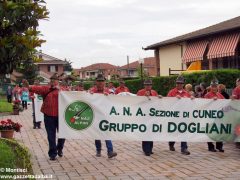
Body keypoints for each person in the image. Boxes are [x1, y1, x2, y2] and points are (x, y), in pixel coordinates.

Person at [23, 73, 65, 161]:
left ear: (58, 81)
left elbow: (72, 95)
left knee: (62, 134)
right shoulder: (46, 88)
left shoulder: (63, 89)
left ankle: (60, 148)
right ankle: (52, 154)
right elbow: (37, 88)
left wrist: (60, 90)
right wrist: (29, 86)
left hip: (61, 116)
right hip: (48, 115)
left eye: (55, 80)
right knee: (51, 135)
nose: (53, 81)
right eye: (52, 80)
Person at [90, 74, 117, 158]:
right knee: (97, 134)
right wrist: (89, 95)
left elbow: (116, 101)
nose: (100, 83)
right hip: (95, 116)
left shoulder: (109, 91)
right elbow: (87, 100)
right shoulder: (92, 91)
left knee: (106, 133)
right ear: (96, 82)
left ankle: (110, 151)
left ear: (104, 82)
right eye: (99, 81)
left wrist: (109, 97)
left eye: (102, 81)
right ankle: (98, 150)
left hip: (105, 116)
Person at [167, 75, 192, 155]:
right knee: (174, 132)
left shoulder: (186, 93)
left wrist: (192, 99)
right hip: (174, 116)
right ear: (176, 84)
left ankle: (184, 148)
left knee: (183, 131)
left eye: (181, 83)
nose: (179, 85)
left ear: (183, 84)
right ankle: (171, 143)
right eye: (178, 83)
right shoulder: (172, 92)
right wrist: (174, 98)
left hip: (183, 116)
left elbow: (190, 104)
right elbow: (167, 102)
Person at [137, 79, 158, 156]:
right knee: (145, 132)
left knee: (151, 132)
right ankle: (146, 149)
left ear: (151, 85)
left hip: (152, 115)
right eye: (147, 85)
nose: (148, 86)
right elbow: (137, 102)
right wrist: (144, 97)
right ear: (144, 85)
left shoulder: (154, 92)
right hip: (144, 115)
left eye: (149, 85)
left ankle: (150, 148)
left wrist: (160, 98)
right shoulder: (140, 92)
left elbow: (157, 102)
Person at [204, 79, 225, 152]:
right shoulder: (207, 95)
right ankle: (210, 147)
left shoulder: (220, 95)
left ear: (217, 87)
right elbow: (204, 105)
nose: (214, 88)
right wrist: (212, 100)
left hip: (218, 116)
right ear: (210, 87)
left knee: (219, 131)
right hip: (210, 116)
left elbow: (224, 104)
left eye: (215, 86)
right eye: (212, 86)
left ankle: (219, 146)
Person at [231, 78, 240, 148]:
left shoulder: (237, 89)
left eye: (236, 82)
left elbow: (234, 97)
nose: (236, 83)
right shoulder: (237, 89)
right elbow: (234, 97)